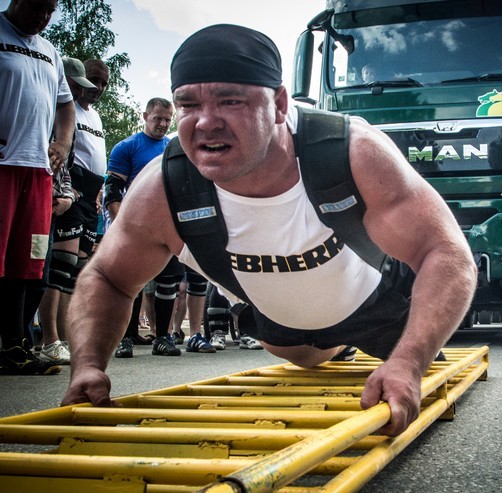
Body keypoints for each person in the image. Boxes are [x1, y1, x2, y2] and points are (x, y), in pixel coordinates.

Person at [62, 24, 476, 437]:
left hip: (381, 309)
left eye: (230, 101)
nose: (206, 122)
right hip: (282, 329)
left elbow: (447, 253)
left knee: (425, 351)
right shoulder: (162, 189)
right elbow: (107, 277)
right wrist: (87, 366)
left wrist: (408, 361)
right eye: (188, 105)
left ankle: (359, 342)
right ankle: (333, 345)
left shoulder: (353, 152)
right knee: (303, 357)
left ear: (279, 104)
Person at [0, 0, 76, 375]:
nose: (44, 17)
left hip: (38, 171)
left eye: (50, 10)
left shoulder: (50, 52)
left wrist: (62, 143)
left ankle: (16, 343)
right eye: (37, 6)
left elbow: (66, 106)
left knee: (31, 262)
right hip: (4, 165)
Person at [37, 58, 109, 365]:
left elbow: (96, 154)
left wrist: (99, 192)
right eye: (91, 81)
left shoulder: (95, 116)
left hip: (91, 194)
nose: (95, 89)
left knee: (76, 270)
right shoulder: (63, 110)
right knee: (60, 264)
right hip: (71, 188)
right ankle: (48, 337)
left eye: (103, 84)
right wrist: (69, 188)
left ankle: (65, 338)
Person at [103, 98, 175, 357]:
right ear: (145, 116)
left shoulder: (173, 148)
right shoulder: (127, 147)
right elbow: (112, 189)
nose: (163, 124)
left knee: (168, 282)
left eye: (168, 119)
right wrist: (123, 224)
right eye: (158, 118)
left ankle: (163, 337)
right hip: (135, 224)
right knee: (131, 283)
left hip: (167, 225)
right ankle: (125, 338)